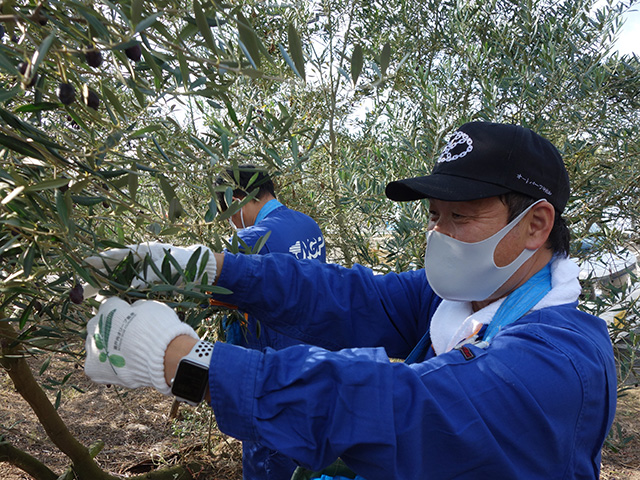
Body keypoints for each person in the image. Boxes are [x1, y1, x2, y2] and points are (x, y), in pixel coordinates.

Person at [84, 121, 616, 480]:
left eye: (461, 216)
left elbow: (402, 407)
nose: (440, 234)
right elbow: (344, 295)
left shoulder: (560, 361)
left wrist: (180, 361)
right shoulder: (457, 301)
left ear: (535, 226)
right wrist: (206, 268)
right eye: (434, 215)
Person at [215, 164, 327, 479]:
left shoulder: (248, 242)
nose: (229, 220)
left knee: (268, 462)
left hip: (269, 376)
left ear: (239, 199)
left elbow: (233, 319)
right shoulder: (309, 226)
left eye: (227, 210)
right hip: (314, 364)